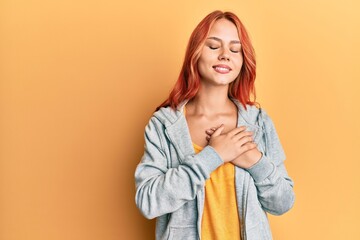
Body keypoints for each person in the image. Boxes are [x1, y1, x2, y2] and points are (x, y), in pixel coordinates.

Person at [134, 10, 295, 240]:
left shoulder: (258, 122)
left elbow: (283, 202)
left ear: (242, 59)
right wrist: (214, 155)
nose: (225, 55)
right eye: (213, 46)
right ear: (195, 53)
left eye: (235, 49)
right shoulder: (163, 125)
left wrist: (255, 161)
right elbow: (148, 202)